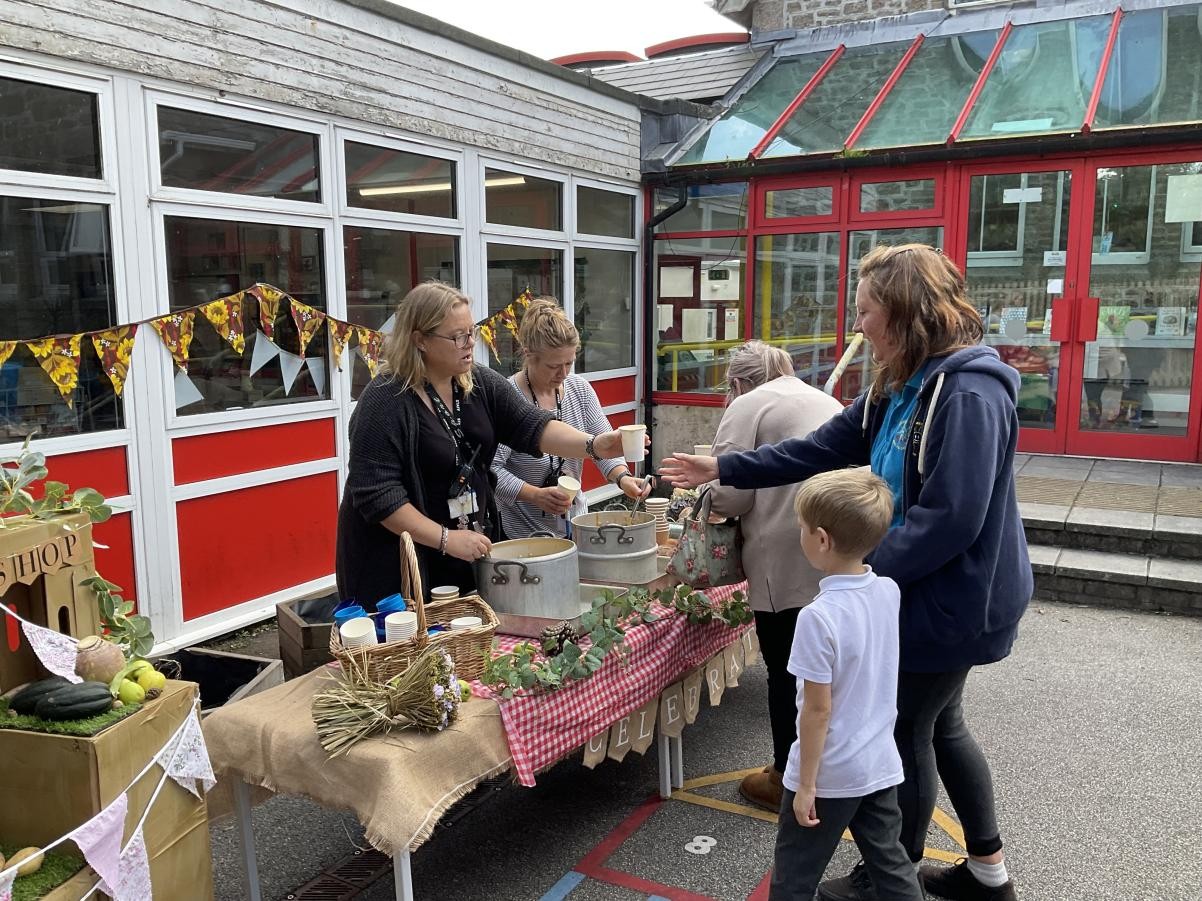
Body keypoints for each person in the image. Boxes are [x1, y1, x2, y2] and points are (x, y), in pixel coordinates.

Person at [661, 244, 1029, 901]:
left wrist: (862, 577)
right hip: (919, 590)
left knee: (907, 728)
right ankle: (987, 872)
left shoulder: (969, 390)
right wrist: (727, 467)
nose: (857, 325)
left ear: (907, 313)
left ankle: (891, 873)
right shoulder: (901, 375)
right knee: (941, 723)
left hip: (948, 599)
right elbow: (827, 446)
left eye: (866, 311)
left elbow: (952, 517)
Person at [336, 281, 637, 606]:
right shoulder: (385, 400)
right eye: (457, 336)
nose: (469, 344)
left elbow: (533, 426)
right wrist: (446, 538)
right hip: (396, 571)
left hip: (463, 549)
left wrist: (597, 445)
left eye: (471, 332)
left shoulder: (478, 382)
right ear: (419, 339)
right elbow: (378, 496)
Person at [771, 468, 923, 901]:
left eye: (801, 527)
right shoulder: (888, 590)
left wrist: (805, 785)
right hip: (877, 762)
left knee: (795, 875)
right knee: (889, 863)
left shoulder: (816, 617)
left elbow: (816, 711)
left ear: (821, 539)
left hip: (829, 772)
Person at [703, 341, 843, 812]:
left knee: (788, 672)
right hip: (840, 554)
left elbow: (731, 496)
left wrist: (704, 498)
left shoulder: (748, 403)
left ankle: (787, 775)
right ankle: (829, 772)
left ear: (738, 382)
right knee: (827, 674)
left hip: (785, 559)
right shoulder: (821, 398)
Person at [492, 298, 648, 539]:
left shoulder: (580, 389)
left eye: (569, 363)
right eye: (554, 366)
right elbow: (492, 470)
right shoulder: (507, 396)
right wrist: (535, 494)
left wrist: (623, 478)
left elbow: (601, 447)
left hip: (574, 524)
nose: (563, 374)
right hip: (522, 535)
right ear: (528, 355)